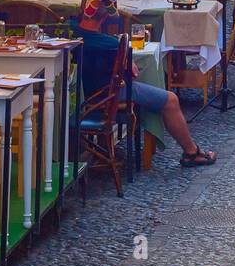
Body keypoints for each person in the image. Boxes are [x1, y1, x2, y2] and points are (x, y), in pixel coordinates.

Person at [77, 10, 216, 167]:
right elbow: (133, 73)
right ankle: (191, 152)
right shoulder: (111, 44)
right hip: (107, 94)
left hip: (80, 94)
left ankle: (104, 147)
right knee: (171, 100)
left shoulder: (70, 33)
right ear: (104, 18)